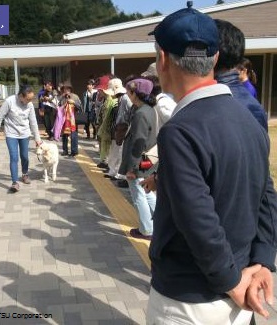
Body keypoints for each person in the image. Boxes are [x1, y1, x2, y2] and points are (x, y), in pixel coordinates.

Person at [147, 5, 273, 324]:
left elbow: (198, 219)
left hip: (190, 298)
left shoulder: (180, 130)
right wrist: (262, 262)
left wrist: (231, 281)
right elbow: (266, 195)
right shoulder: (248, 118)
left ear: (163, 58)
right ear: (215, 60)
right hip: (240, 290)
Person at [214, 19, 277, 324]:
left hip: (229, 254)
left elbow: (262, 183)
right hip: (238, 253)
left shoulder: (236, 106)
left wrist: (262, 257)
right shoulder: (245, 102)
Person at [118, 77, 157, 240]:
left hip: (138, 162)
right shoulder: (148, 109)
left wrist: (132, 169)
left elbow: (138, 143)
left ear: (135, 93)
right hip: (147, 160)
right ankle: (159, 222)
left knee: (139, 195)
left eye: (128, 91)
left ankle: (147, 230)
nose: (127, 94)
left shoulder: (140, 113)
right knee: (147, 193)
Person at [0, 85, 42, 193]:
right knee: (14, 157)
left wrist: (37, 138)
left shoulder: (30, 105)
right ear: (21, 96)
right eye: (28, 99)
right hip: (11, 134)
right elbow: (0, 116)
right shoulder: (9, 101)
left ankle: (25, 174)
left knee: (25, 156)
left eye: (31, 99)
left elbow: (33, 122)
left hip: (25, 133)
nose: (30, 101)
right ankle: (14, 182)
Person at [57, 83, 81, 157]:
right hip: (64, 119)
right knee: (64, 135)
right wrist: (63, 106)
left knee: (73, 135)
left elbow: (80, 107)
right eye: (64, 89)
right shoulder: (62, 97)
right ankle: (65, 150)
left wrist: (73, 103)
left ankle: (74, 151)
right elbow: (59, 106)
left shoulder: (75, 96)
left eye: (68, 89)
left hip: (73, 119)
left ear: (70, 89)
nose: (66, 90)